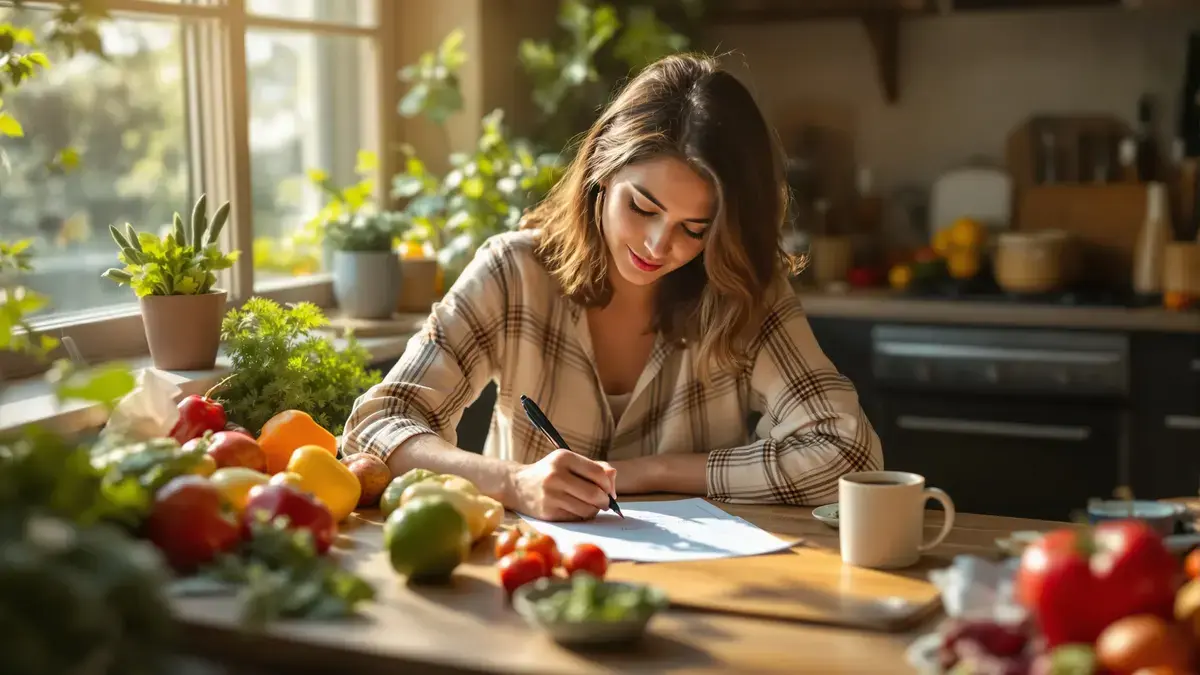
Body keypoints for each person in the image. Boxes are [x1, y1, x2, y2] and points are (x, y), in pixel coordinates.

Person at [342, 53, 883, 522]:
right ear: (602, 169)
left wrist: (651, 473)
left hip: (705, 589)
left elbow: (848, 453)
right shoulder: (514, 273)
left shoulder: (741, 290)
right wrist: (514, 483)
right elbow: (376, 428)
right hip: (529, 579)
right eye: (642, 207)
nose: (657, 244)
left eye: (695, 229)